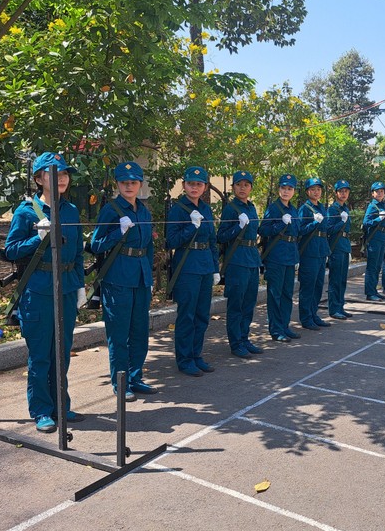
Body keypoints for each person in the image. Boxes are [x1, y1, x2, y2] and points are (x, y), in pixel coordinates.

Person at [4, 152, 85, 433]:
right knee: (41, 354)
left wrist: (81, 285)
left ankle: (61, 404)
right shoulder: (26, 212)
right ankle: (41, 410)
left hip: (66, 287)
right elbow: (10, 250)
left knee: (62, 352)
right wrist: (35, 238)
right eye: (54, 174)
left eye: (64, 173)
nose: (61, 178)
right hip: (37, 290)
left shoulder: (72, 211)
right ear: (39, 179)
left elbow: (78, 253)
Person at [90, 161, 155, 402]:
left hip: (140, 277)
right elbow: (96, 245)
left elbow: (148, 246)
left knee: (139, 331)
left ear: (140, 184)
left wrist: (148, 276)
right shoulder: (111, 210)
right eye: (124, 182)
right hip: (117, 277)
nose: (129, 186)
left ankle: (136, 377)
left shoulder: (144, 211)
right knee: (119, 333)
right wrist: (118, 233)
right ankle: (121, 382)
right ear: (118, 184)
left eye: (134, 182)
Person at [165, 166, 220, 377]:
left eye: (199, 184)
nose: (194, 187)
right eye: (191, 183)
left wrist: (215, 268)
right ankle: (185, 359)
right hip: (187, 267)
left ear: (205, 187)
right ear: (184, 185)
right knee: (186, 315)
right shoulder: (178, 209)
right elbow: (171, 241)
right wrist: (191, 227)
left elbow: (212, 240)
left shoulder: (206, 209)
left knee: (202, 315)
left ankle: (197, 355)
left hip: (205, 265)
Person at [216, 170, 262, 358]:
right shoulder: (230, 209)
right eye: (238, 185)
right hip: (237, 261)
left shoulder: (251, 207)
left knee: (249, 303)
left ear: (251, 188)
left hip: (252, 258)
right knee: (236, 304)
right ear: (233, 187)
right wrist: (238, 227)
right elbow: (221, 236)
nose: (242, 188)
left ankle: (244, 338)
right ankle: (236, 343)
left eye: (246, 185)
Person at [259, 174, 301, 342]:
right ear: (279, 189)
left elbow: (297, 233)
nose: (286, 191)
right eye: (283, 188)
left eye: (289, 189)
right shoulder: (274, 208)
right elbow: (263, 230)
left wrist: (296, 256)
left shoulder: (293, 209)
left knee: (287, 294)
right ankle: (276, 330)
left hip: (290, 255)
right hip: (276, 256)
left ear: (294, 192)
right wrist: (280, 224)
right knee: (275, 294)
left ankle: (284, 325)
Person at [298, 177, 331, 330]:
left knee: (318, 285)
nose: (316, 192)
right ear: (307, 191)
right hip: (309, 251)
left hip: (321, 250)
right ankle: (306, 317)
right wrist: (313, 223)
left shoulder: (322, 207)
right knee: (308, 286)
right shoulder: (305, 208)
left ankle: (313, 313)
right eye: (313, 189)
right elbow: (300, 230)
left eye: (318, 189)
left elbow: (325, 230)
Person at [326, 180, 352, 319]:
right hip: (336, 246)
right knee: (335, 279)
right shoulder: (332, 209)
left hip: (344, 246)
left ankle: (340, 306)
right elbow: (329, 229)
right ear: (336, 193)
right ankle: (334, 308)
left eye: (346, 191)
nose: (343, 194)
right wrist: (341, 222)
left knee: (342, 279)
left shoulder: (345, 208)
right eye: (341, 191)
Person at [362, 181, 385, 301]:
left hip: (382, 237)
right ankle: (369, 292)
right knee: (372, 267)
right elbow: (366, 223)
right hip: (374, 239)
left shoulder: (383, 205)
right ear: (373, 193)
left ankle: (374, 290)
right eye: (377, 191)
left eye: (381, 191)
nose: (379, 193)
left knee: (377, 266)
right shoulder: (373, 206)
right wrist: (378, 219)